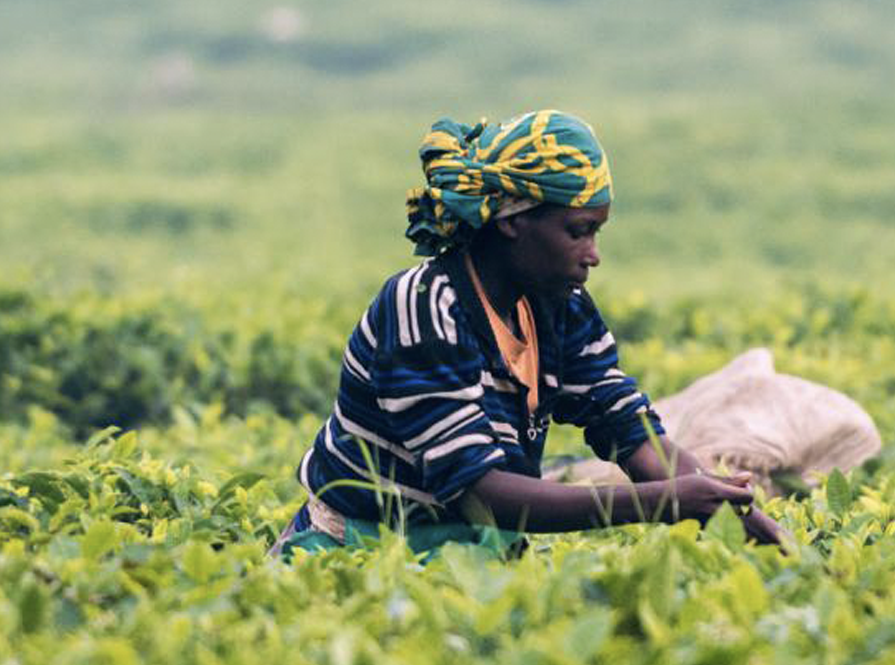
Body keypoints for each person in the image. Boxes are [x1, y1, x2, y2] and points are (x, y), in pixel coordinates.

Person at [273, 110, 787, 560]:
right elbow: (479, 494)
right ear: (513, 221)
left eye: (596, 233)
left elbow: (633, 433)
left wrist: (758, 529)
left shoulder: (561, 304)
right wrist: (661, 502)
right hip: (363, 549)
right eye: (577, 231)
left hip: (475, 549)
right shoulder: (424, 307)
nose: (593, 255)